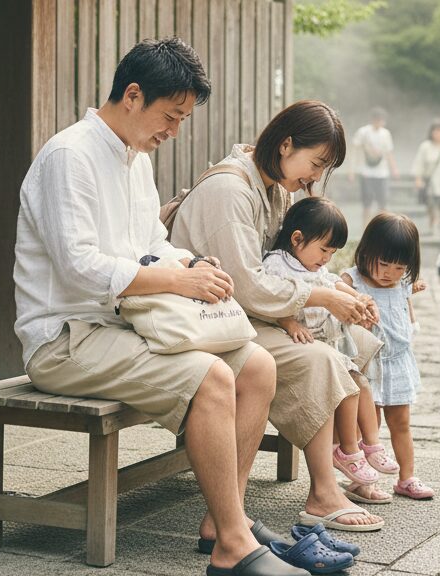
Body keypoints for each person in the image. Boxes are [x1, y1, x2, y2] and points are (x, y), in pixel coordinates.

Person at [13, 38, 307, 576]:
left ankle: (226, 522)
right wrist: (172, 278)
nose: (173, 132)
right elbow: (79, 265)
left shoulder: (135, 159)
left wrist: (191, 266)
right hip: (66, 339)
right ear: (131, 95)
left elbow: (151, 239)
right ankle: (234, 549)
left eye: (181, 119)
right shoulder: (68, 156)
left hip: (126, 326)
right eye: (171, 117)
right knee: (212, 377)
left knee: (257, 366)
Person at [171, 100, 387, 533]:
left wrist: (339, 293)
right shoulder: (231, 190)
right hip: (210, 319)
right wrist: (323, 298)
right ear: (286, 144)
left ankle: (352, 453)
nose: (314, 177)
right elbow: (247, 285)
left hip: (247, 315)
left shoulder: (274, 188)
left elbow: (286, 264)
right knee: (321, 358)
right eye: (316, 162)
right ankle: (321, 491)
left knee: (359, 343)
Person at [262, 196, 400, 505]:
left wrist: (357, 299)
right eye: (324, 249)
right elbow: (269, 294)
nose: (327, 258)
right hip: (308, 340)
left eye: (333, 252)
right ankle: (348, 451)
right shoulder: (277, 263)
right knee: (350, 386)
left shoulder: (312, 264)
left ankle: (370, 446)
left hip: (329, 338)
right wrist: (288, 323)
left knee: (363, 384)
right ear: (297, 239)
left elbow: (333, 283)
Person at [341, 213, 432, 499]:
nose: (388, 273)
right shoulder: (353, 280)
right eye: (382, 264)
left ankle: (407, 478)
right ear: (366, 250)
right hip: (370, 364)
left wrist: (411, 298)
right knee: (369, 425)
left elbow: (405, 311)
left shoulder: (401, 282)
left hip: (399, 362)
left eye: (398, 267)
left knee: (401, 422)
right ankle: (362, 481)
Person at [351, 107, 398, 224]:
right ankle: (365, 228)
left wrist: (394, 169)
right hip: (366, 172)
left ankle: (381, 227)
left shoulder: (386, 133)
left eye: (381, 120)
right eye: (377, 120)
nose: (379, 122)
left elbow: (389, 152)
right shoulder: (363, 132)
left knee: (383, 203)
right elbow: (354, 150)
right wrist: (351, 170)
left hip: (382, 173)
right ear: (372, 120)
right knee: (366, 204)